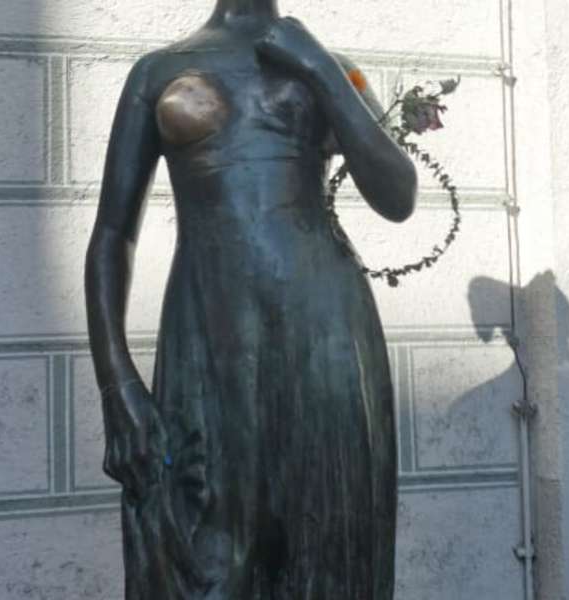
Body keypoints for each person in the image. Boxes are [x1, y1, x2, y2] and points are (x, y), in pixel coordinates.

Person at [84, 1, 417, 597]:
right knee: (202, 546)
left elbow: (398, 195)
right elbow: (113, 235)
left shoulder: (327, 64)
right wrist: (116, 383)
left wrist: (317, 66)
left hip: (324, 328)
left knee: (326, 545)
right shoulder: (157, 71)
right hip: (209, 334)